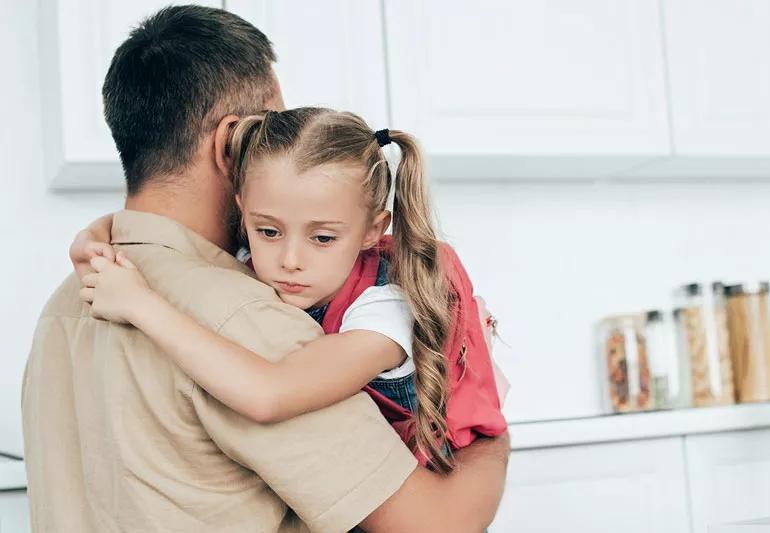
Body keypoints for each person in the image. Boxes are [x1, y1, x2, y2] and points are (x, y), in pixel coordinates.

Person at [21, 5, 509, 532]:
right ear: (231, 143)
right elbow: (438, 525)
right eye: (270, 126)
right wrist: (489, 428)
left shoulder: (69, 298)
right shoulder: (252, 321)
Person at [74, 107, 509, 474]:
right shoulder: (270, 252)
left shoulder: (383, 311)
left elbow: (269, 394)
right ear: (244, 213)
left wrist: (138, 304)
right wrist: (96, 237)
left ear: (372, 230)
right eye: (268, 230)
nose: (290, 259)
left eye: (322, 238)